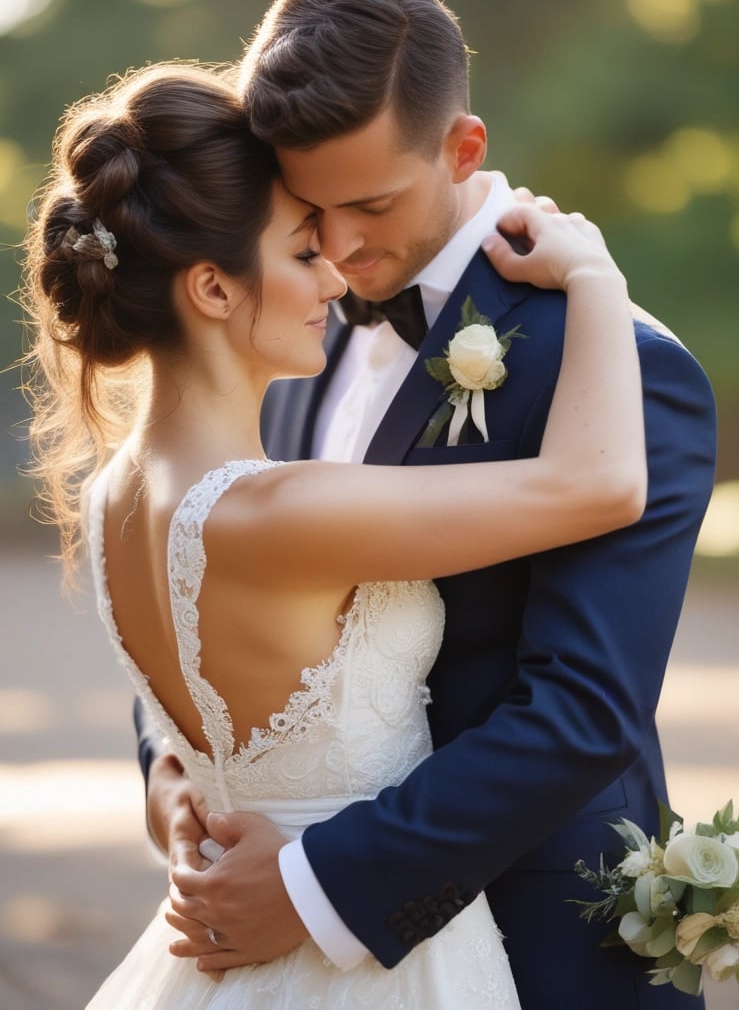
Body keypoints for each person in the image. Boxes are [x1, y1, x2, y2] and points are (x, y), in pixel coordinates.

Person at [23, 61, 649, 1008]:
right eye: (302, 251)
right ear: (214, 290)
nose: (338, 274)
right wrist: (595, 274)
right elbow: (599, 484)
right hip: (363, 962)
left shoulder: (112, 493)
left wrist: (176, 800)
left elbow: (195, 728)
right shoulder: (277, 511)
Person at [144, 0, 718, 1008]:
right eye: (306, 212)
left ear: (462, 148)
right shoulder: (283, 330)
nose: (339, 250)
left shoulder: (629, 370)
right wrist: (180, 768)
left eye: (372, 205)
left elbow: (584, 709)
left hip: (534, 940)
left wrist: (314, 884)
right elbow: (201, 555)